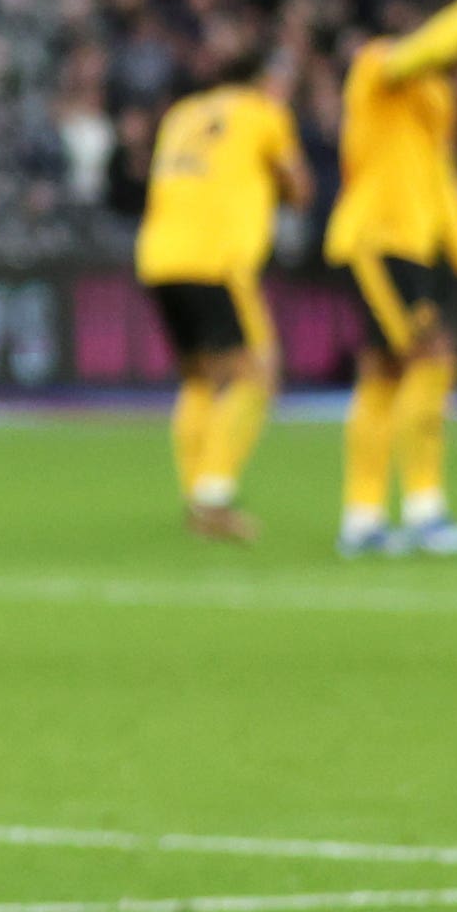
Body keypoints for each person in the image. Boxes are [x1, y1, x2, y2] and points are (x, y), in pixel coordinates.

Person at [325, 0, 457, 558]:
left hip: (415, 249)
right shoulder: (380, 65)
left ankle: (364, 520)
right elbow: (425, 50)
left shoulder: (435, 97)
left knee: (384, 375)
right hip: (378, 239)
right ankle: (423, 513)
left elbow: (443, 181)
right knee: (434, 357)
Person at [133, 48, 310, 542]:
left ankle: (196, 494)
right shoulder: (264, 113)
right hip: (217, 260)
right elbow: (300, 189)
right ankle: (214, 495)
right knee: (258, 373)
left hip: (158, 255)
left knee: (200, 378)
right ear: (264, 82)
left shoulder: (182, 114)